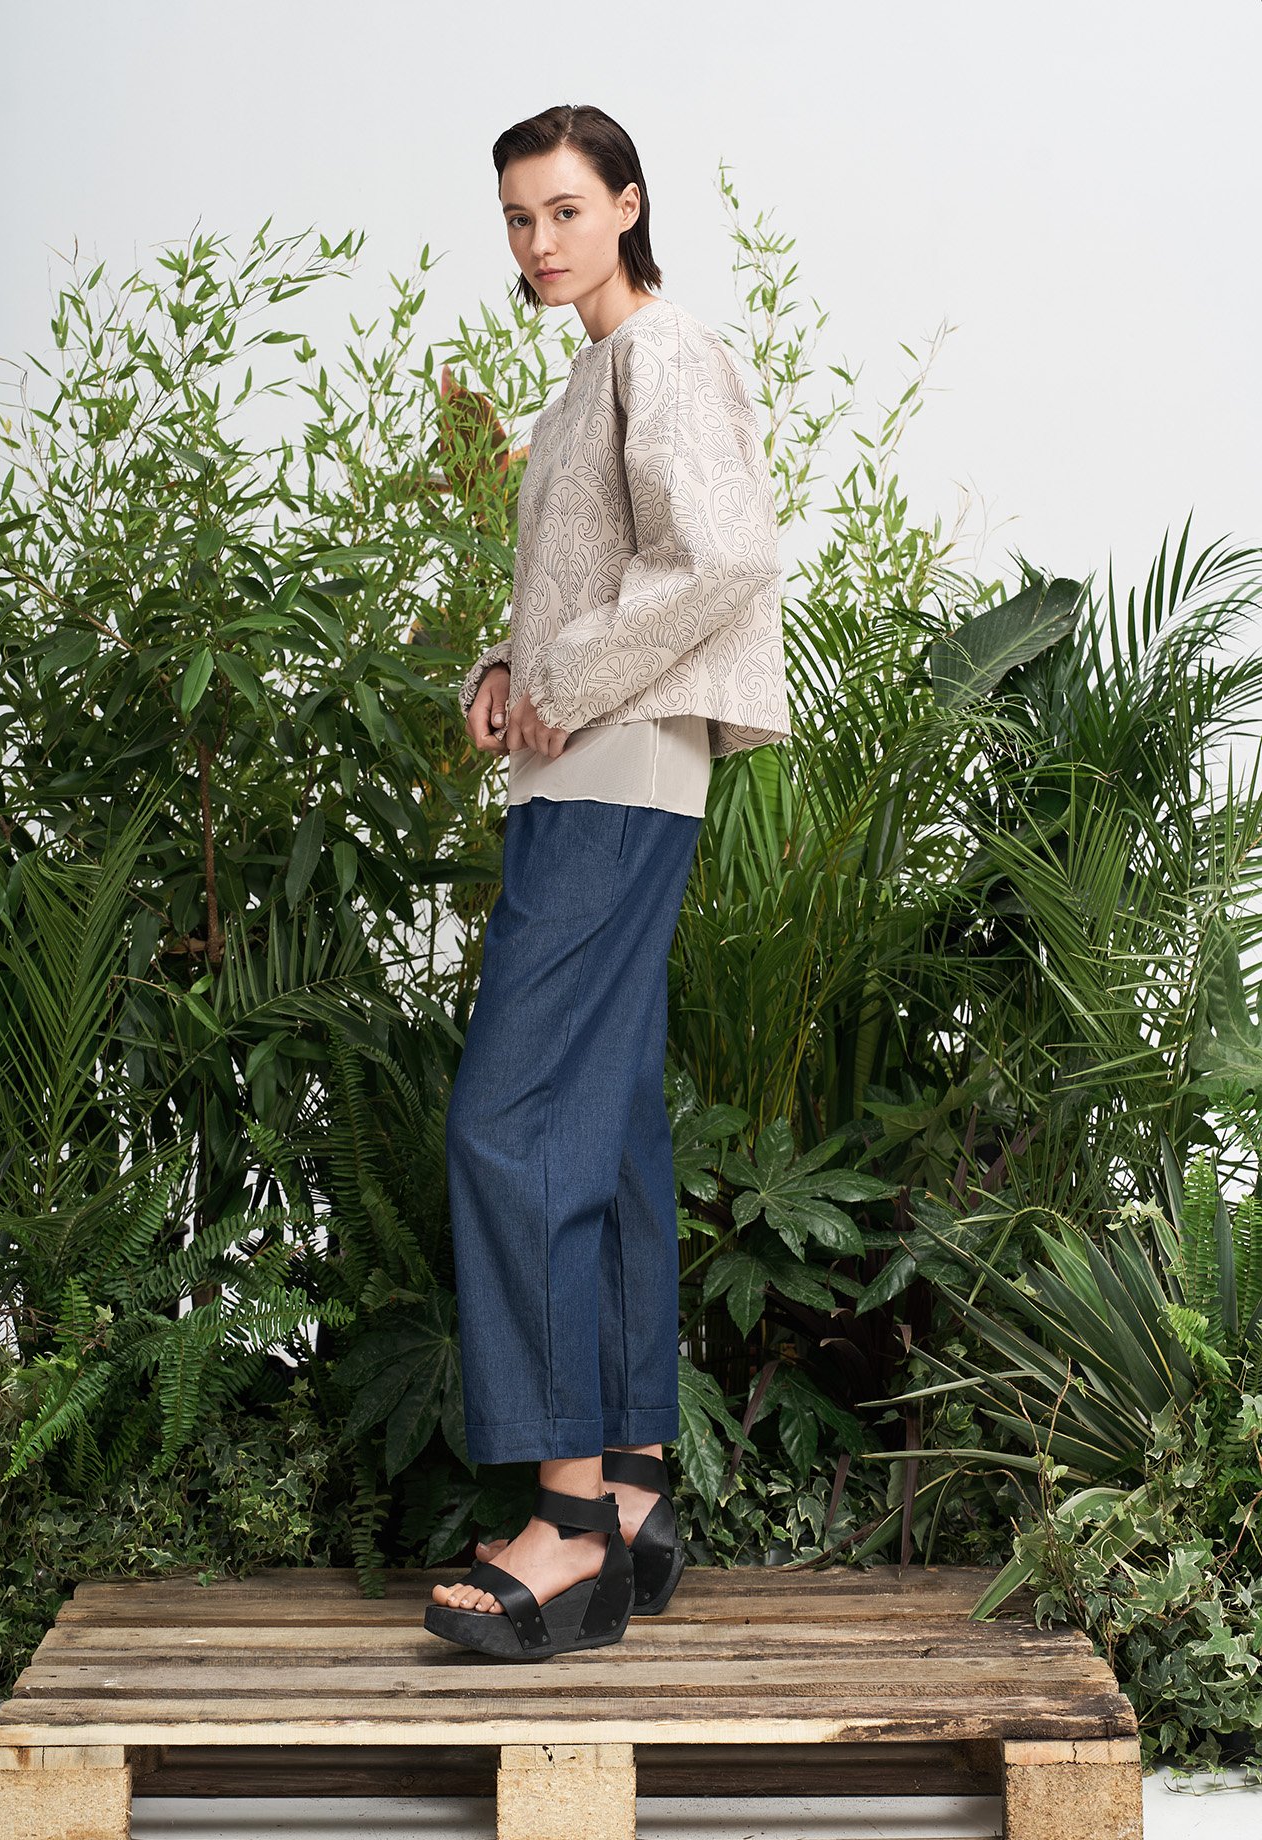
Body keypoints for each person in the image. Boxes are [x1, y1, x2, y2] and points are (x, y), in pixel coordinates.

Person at [423, 103, 791, 1661]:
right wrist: (508, 666)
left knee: (509, 1126)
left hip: (616, 774)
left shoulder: (663, 349)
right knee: (609, 1129)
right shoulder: (589, 374)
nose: (539, 241)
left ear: (628, 205)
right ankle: (632, 1490)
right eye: (519, 217)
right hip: (592, 768)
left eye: (565, 209)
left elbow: (723, 556)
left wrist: (561, 677)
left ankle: (565, 1522)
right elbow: (591, 577)